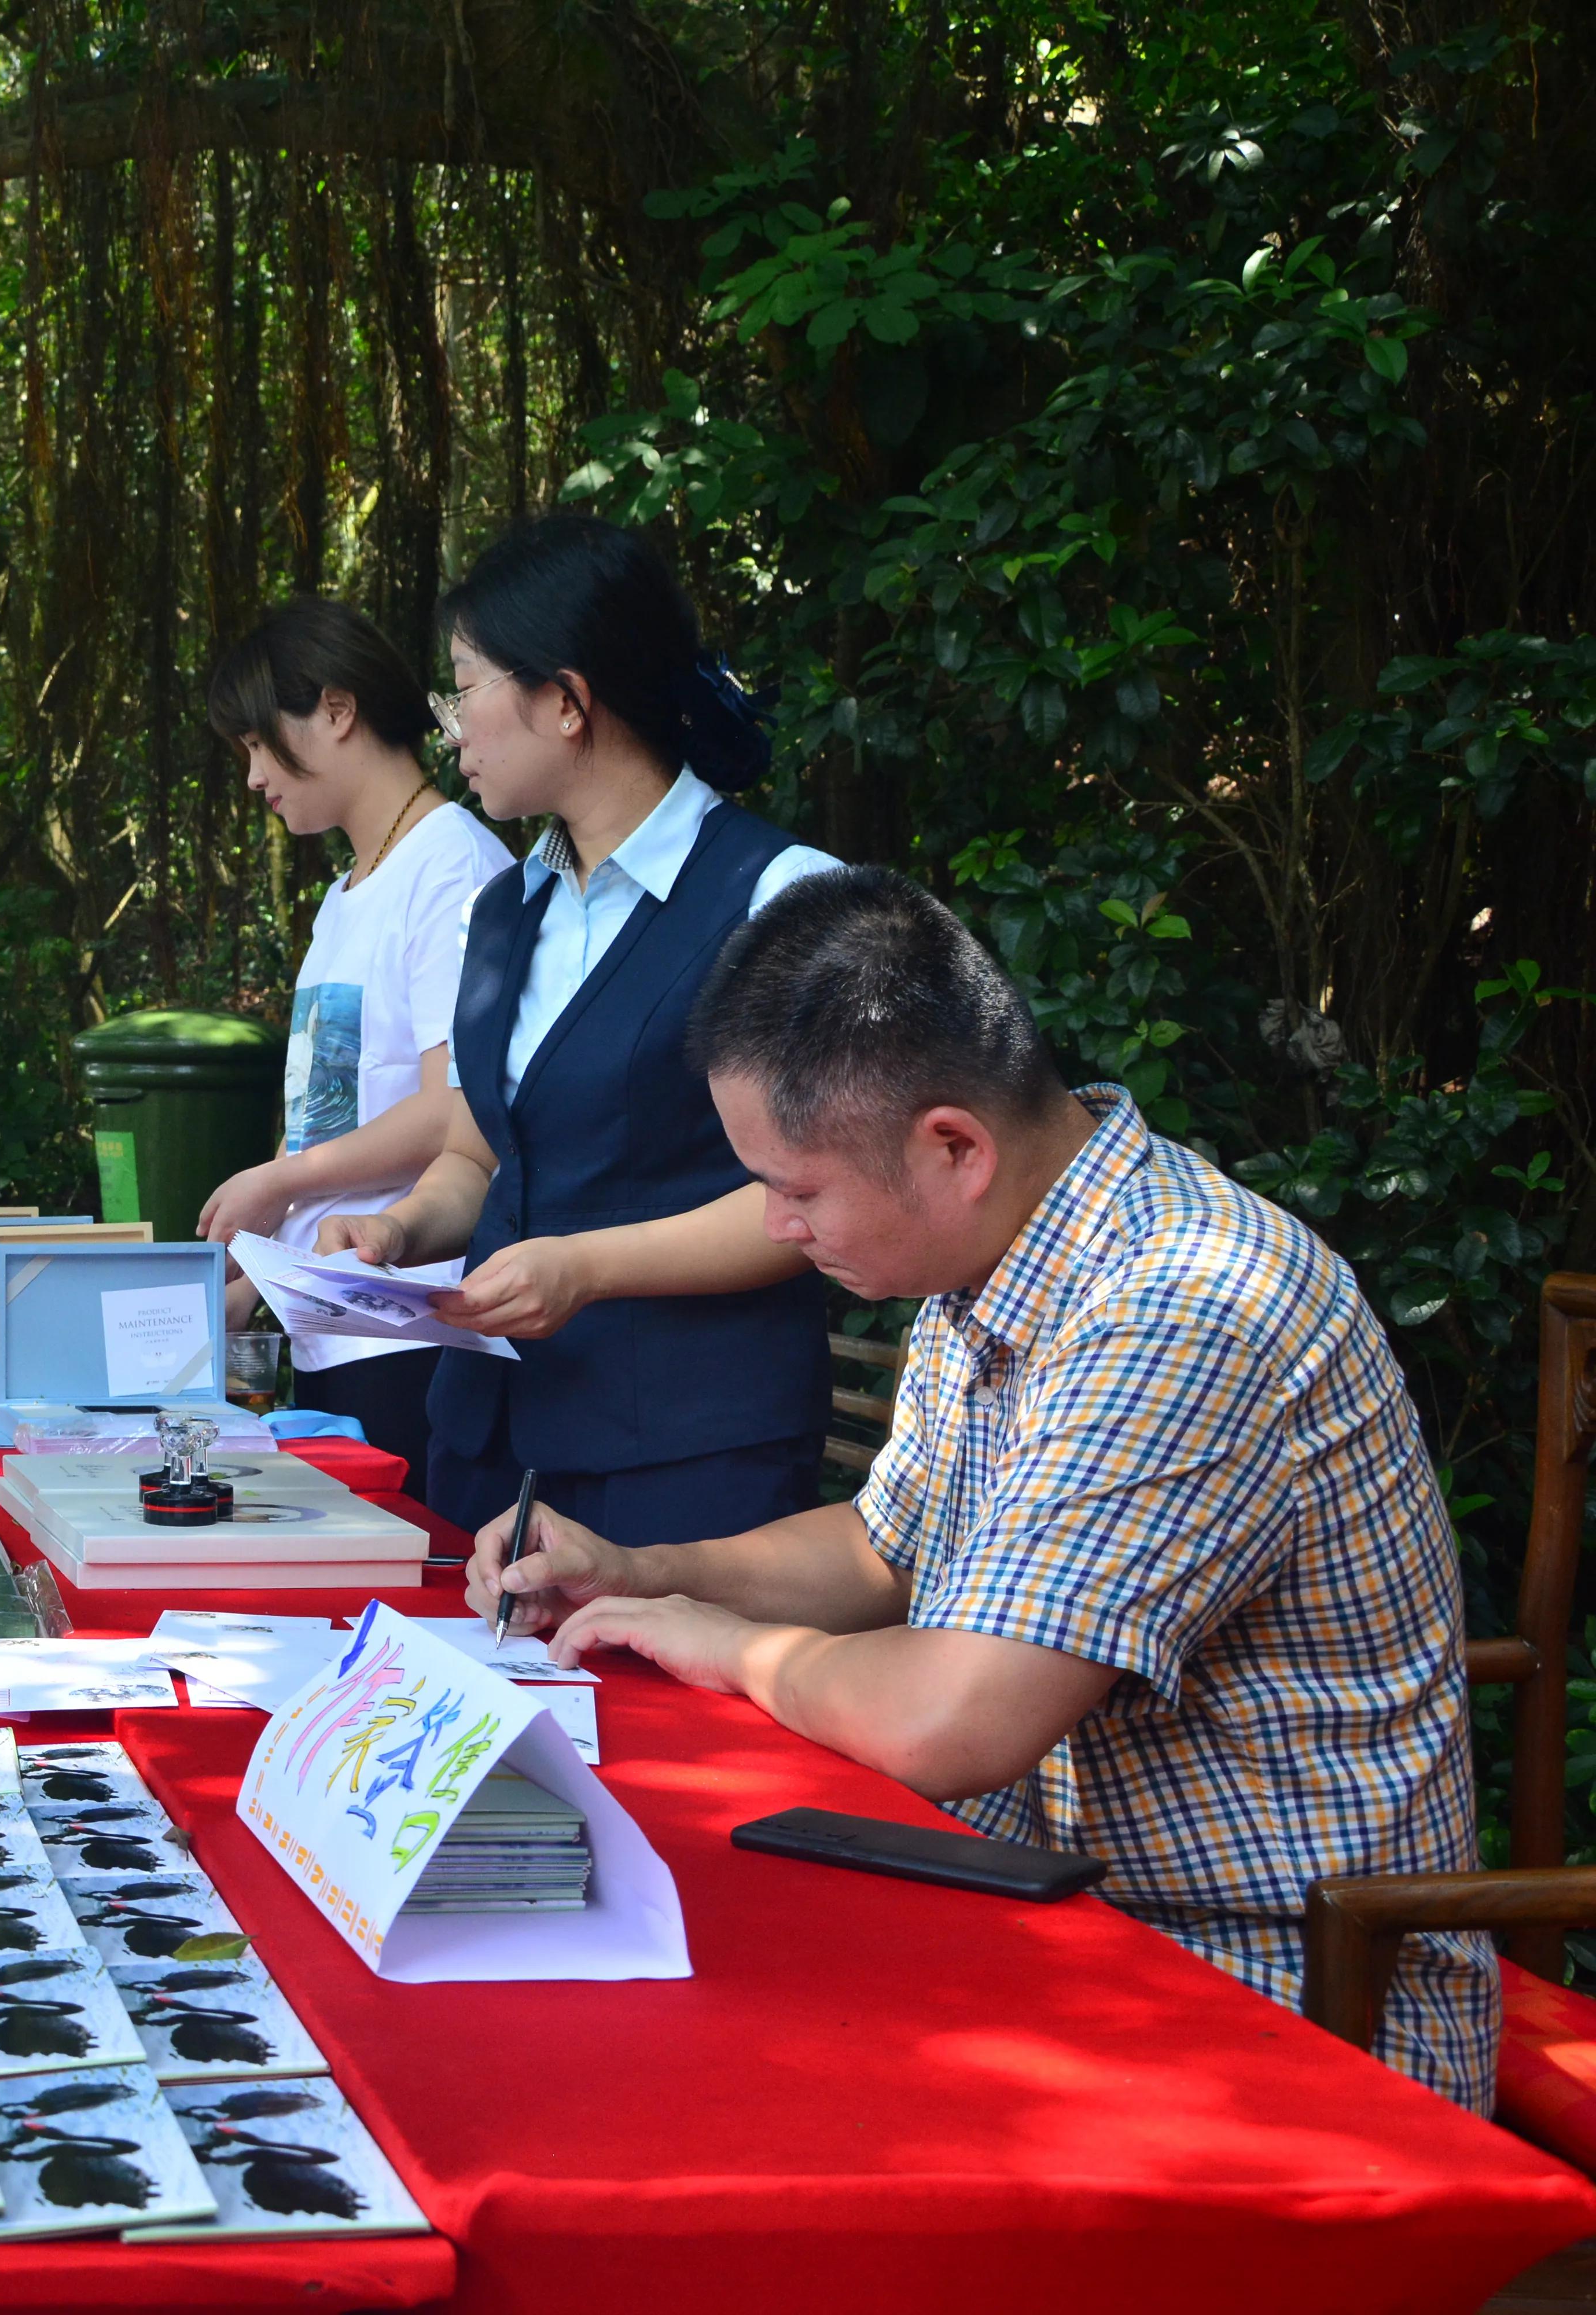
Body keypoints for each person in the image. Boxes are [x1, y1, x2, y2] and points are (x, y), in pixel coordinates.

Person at [479, 867, 1496, 2111]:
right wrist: (647, 1572)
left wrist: (734, 1645)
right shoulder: (998, 1255)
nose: (776, 1227)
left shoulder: (1178, 1303)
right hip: (1054, 1908)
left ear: (952, 1144)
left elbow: (948, 1722)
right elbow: (882, 1546)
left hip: (1273, 1995)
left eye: (796, 1189)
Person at [314, 514, 841, 1546]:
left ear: (565, 702)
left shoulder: (780, 898)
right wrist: (399, 1231)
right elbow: (482, 1155)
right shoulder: (507, 912)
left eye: (462, 686)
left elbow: (825, 1196)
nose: (449, 726)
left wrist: (589, 1266)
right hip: (491, 1447)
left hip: (688, 1468)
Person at [191, 601, 512, 1498]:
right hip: (330, 1319)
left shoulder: (453, 864)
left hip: (413, 1318)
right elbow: (328, 1114)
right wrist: (264, 1269)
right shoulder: (346, 892)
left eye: (260, 744)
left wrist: (280, 1183)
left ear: (338, 710)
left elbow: (459, 1106)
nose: (254, 777)